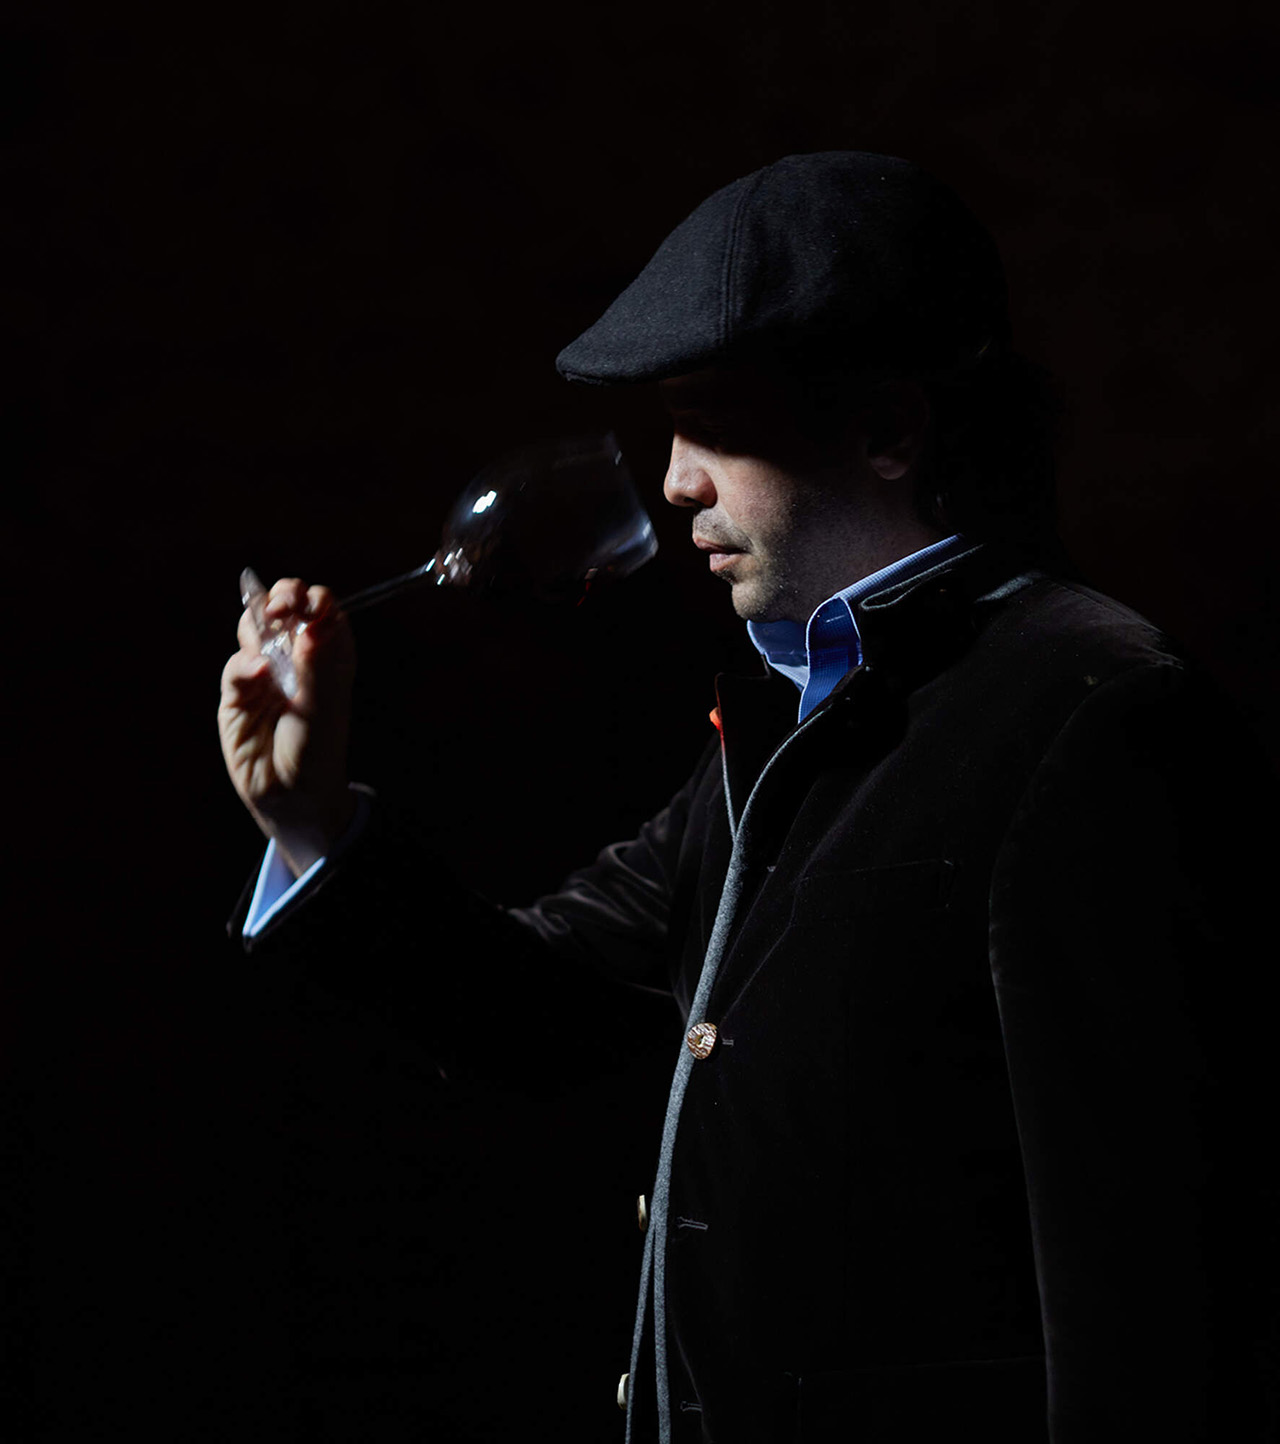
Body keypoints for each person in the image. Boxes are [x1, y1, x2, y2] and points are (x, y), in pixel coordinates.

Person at [219, 153, 1275, 1442]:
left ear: (889, 432)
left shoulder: (1096, 711)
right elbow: (536, 1008)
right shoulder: (788, 720)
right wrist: (308, 821)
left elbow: (1155, 1302)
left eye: (713, 421)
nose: (671, 483)